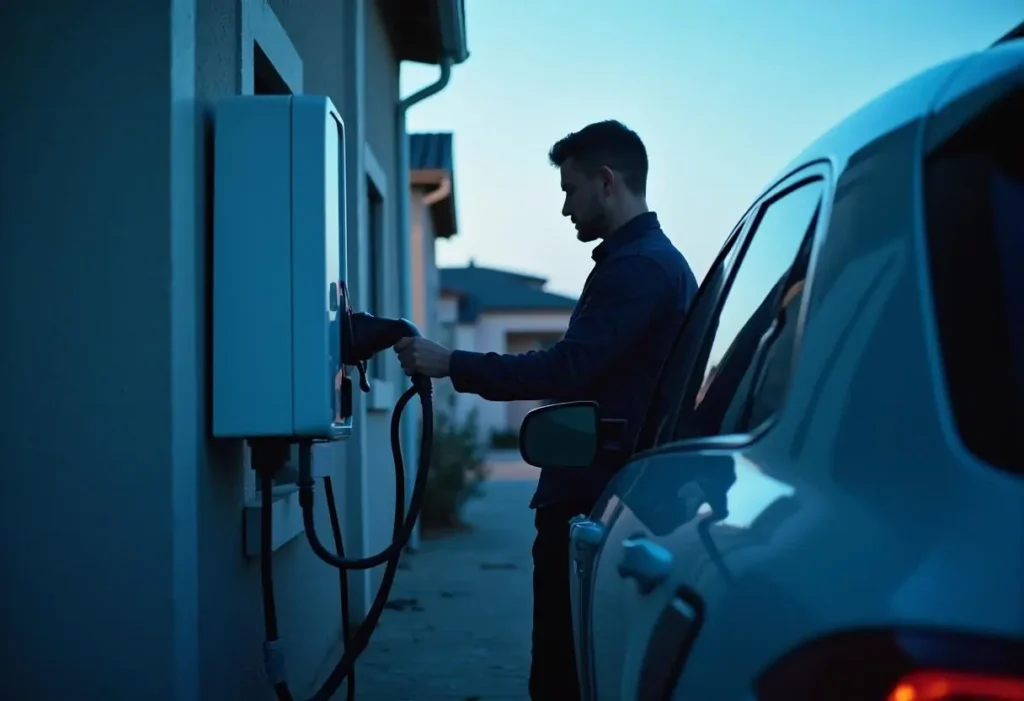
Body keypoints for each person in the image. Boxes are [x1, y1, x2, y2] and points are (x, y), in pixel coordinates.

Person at [393, 119, 698, 701]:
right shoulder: (647, 263)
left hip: (593, 498)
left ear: (606, 182)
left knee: (561, 676)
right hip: (609, 494)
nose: (565, 209)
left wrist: (449, 362)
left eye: (570, 189)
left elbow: (565, 369)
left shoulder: (638, 268)